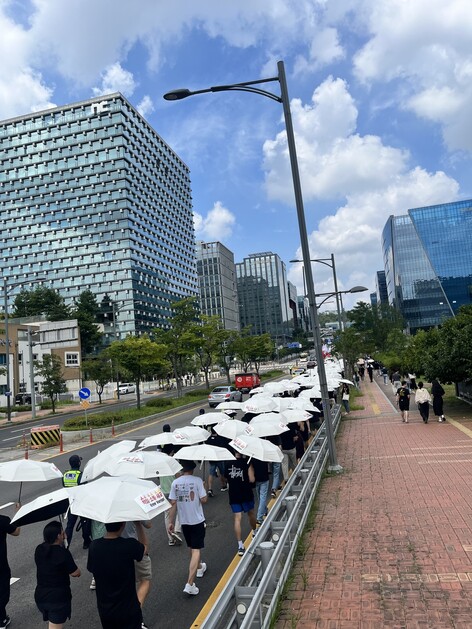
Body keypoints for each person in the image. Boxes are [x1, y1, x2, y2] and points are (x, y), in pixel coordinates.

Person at [87, 521, 146, 629]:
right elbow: (145, 548)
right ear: (122, 525)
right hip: (129, 608)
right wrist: (138, 525)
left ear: (105, 525)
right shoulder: (129, 545)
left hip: (105, 610)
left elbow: (92, 569)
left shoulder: (94, 546)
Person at [167, 460, 207, 596]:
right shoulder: (197, 481)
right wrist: (203, 487)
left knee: (192, 547)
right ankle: (190, 583)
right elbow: (204, 500)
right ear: (193, 469)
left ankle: (200, 567)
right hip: (197, 520)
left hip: (184, 521)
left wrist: (171, 522)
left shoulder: (175, 483)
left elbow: (173, 503)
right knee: (196, 550)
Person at [34, 520, 81, 629]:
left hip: (41, 595)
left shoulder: (39, 550)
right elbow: (76, 573)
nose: (65, 533)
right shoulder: (63, 554)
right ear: (58, 536)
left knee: (54, 623)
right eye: (62, 532)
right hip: (57, 599)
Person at [226, 451, 257, 556]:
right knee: (251, 514)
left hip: (234, 495)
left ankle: (240, 545)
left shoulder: (228, 463)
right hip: (246, 493)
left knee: (237, 518)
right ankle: (254, 531)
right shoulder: (246, 462)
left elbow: (226, 478)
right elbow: (252, 479)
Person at [122, 522, 152, 629]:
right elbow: (148, 524)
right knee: (145, 580)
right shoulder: (134, 506)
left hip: (117, 553)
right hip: (136, 550)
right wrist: (138, 524)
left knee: (126, 588)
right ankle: (135, 617)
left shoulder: (108, 511)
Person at [62, 455, 91, 549]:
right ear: (79, 463)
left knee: (70, 526)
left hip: (70, 503)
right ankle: (86, 542)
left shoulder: (65, 475)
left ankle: (66, 545)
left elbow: (64, 487)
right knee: (85, 523)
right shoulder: (81, 475)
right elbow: (85, 489)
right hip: (81, 503)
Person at [0, 504, 20, 629]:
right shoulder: (2, 520)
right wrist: (18, 514)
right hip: (1, 564)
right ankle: (1, 619)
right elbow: (16, 531)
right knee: (2, 591)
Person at [252, 458, 269, 526]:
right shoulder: (263, 456)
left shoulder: (251, 456)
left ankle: (264, 510)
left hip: (256, 479)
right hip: (264, 478)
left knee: (259, 497)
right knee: (262, 497)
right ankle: (259, 517)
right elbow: (269, 461)